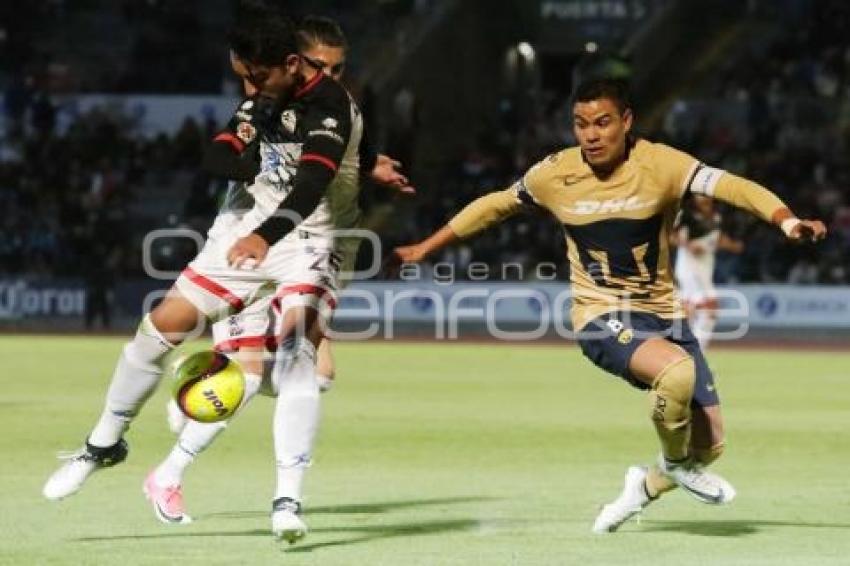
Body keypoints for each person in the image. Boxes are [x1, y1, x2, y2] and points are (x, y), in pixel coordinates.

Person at [392, 78, 826, 534]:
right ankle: (675, 463)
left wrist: (786, 220)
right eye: (580, 125)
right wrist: (426, 246)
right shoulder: (555, 173)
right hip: (600, 316)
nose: (591, 135)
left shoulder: (663, 164)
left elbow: (734, 187)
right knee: (676, 374)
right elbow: (496, 205)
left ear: (627, 121)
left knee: (711, 444)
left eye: (602, 123)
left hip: (664, 313)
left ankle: (645, 485)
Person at [43, 3, 408, 543]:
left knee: (300, 354)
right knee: (161, 327)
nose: (248, 85)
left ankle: (286, 499)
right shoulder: (264, 92)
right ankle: (103, 444)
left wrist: (264, 231)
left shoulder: (332, 106)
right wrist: (246, 149)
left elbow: (309, 188)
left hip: (307, 237)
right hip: (238, 232)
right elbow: (217, 157)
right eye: (242, 75)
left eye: (256, 76)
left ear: (290, 63)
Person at [155, 13, 413, 526]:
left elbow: (327, 164)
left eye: (340, 69)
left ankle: (191, 416)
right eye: (324, 67)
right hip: (255, 253)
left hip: (314, 251)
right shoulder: (268, 108)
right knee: (258, 377)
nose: (334, 77)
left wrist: (368, 166)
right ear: (295, 62)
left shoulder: (339, 110)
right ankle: (179, 467)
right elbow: (261, 165)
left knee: (316, 375)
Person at [673, 195, 743, 351]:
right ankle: (693, 354)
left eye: (706, 195)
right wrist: (688, 245)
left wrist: (732, 245)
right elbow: (672, 236)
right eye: (700, 195)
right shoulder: (686, 215)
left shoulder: (716, 217)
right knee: (708, 309)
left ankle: (688, 353)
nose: (703, 198)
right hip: (689, 268)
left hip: (705, 269)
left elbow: (716, 239)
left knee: (692, 311)